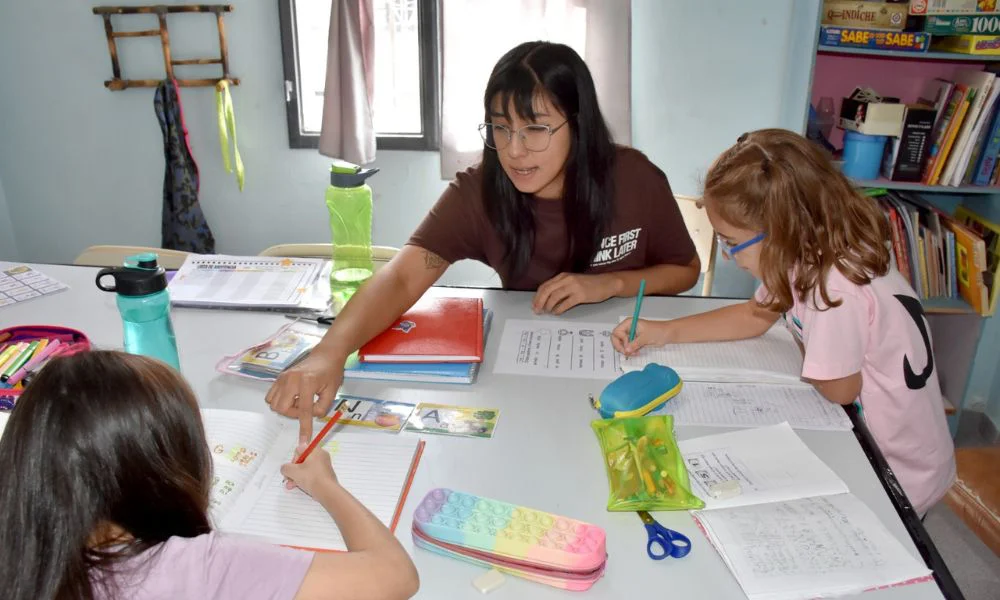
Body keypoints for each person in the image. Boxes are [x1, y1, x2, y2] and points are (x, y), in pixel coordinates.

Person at [268, 41, 699, 442]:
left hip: (632, 371)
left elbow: (685, 271)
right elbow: (401, 278)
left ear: (579, 125)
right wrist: (330, 351)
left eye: (536, 129)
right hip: (529, 383)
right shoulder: (479, 192)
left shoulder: (634, 178)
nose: (513, 150)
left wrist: (609, 284)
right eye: (500, 128)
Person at [612, 129, 955, 517]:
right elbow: (755, 315)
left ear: (780, 231)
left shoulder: (833, 284)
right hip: (880, 442)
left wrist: (811, 342)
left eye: (730, 242)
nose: (727, 256)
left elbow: (840, 388)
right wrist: (666, 331)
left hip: (897, 468)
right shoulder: (810, 251)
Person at [0, 350, 419, 600]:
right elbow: (396, 576)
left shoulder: (21, 553)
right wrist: (327, 487)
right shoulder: (198, 565)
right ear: (161, 474)